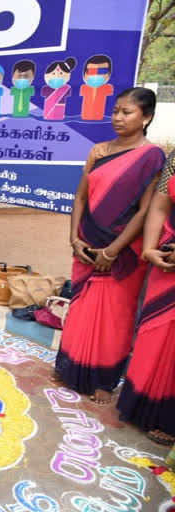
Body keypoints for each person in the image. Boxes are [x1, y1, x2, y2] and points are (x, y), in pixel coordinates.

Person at [55, 88, 164, 405]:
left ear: (146, 117)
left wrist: (113, 250)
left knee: (114, 318)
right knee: (80, 311)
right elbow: (81, 198)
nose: (118, 117)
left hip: (122, 253)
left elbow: (145, 211)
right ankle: (69, 368)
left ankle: (104, 380)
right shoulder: (99, 151)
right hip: (86, 246)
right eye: (115, 111)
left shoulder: (152, 157)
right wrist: (74, 238)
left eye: (127, 112)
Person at [116, 148, 175, 445]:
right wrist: (150, 248)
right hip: (166, 260)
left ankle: (168, 416)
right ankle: (142, 405)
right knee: (155, 334)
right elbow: (161, 205)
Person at [80, 55, 114, 121]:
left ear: (109, 73)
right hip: (84, 117)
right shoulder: (83, 87)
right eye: (91, 71)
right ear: (84, 73)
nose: (96, 75)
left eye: (102, 71)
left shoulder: (108, 87)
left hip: (101, 119)